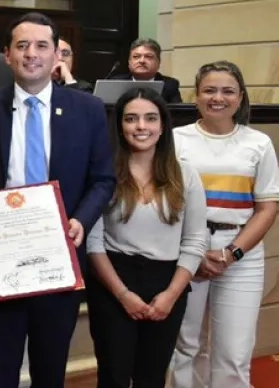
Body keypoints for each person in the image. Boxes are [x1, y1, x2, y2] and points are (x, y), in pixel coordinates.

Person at [0, 12, 116, 388]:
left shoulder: (88, 109)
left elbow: (102, 180)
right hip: (0, 258)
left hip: (59, 255)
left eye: (41, 46)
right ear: (7, 55)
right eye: (22, 46)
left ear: (56, 57)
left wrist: (81, 219)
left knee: (50, 368)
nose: (31, 54)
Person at [170, 61, 279, 388]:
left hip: (240, 255)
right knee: (184, 347)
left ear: (240, 96)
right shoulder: (175, 140)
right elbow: (165, 204)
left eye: (228, 91)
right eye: (210, 90)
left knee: (233, 352)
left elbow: (266, 209)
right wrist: (195, 253)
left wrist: (230, 254)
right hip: (186, 251)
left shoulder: (258, 143)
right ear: (196, 96)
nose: (218, 97)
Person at [86, 87, 208, 388]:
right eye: (131, 119)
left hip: (167, 283)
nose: (141, 127)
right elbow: (93, 241)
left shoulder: (186, 174)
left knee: (151, 378)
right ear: (119, 126)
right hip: (113, 281)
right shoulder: (104, 173)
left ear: (163, 125)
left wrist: (171, 295)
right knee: (113, 376)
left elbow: (194, 240)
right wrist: (123, 295)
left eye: (150, 118)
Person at [108, 38, 182, 103]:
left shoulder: (169, 85)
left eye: (148, 57)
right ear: (129, 63)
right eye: (136, 57)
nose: (142, 61)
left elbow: (177, 114)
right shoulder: (116, 82)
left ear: (158, 63)